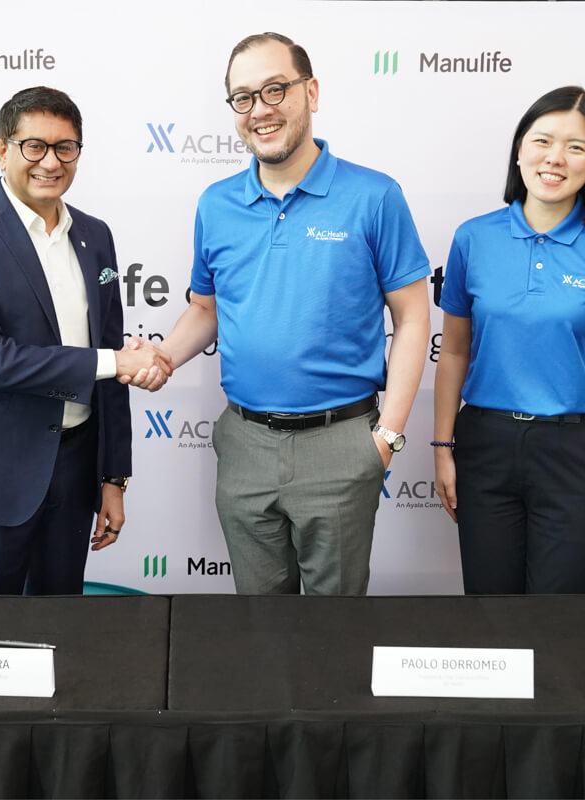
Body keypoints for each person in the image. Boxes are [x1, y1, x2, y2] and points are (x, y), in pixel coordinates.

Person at [150, 33, 431, 595]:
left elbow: (413, 318)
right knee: (258, 627)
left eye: (275, 89)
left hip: (342, 442)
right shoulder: (216, 204)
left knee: (334, 629)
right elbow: (205, 309)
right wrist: (163, 358)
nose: (260, 109)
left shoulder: (375, 196)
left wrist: (387, 438)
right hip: (244, 443)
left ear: (312, 92)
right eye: (243, 97)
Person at [0, 86, 170, 596]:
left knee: (61, 626)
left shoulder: (95, 235)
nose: (51, 162)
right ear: (2, 150)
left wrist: (113, 478)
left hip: (75, 471)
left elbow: (109, 355)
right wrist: (115, 361)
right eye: (34, 146)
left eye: (65, 147)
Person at [433, 86, 585, 595]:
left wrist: (573, 401)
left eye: (576, 147)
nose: (555, 158)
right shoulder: (473, 238)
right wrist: (443, 447)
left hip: (573, 452)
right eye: (542, 141)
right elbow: (455, 351)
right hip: (485, 446)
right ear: (519, 150)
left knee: (566, 620)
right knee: (491, 613)